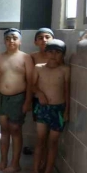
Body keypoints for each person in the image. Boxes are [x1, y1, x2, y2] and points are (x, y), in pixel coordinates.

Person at [24, 40, 70, 173]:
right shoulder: (39, 68)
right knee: (40, 140)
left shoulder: (65, 70)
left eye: (58, 52)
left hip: (58, 110)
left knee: (53, 142)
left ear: (63, 55)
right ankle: (35, 171)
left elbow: (67, 92)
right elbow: (32, 85)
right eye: (51, 51)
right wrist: (39, 93)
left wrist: (66, 111)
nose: (54, 55)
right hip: (43, 109)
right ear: (46, 53)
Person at [0, 28, 34, 173]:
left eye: (14, 38)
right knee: (4, 129)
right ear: (4, 41)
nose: (11, 41)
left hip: (18, 97)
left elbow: (30, 81)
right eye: (8, 38)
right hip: (1, 97)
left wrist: (27, 101)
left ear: (20, 41)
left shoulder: (26, 58)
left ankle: (15, 163)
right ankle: (3, 161)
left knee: (15, 129)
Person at [25, 27, 55, 156]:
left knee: (51, 133)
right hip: (38, 98)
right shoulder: (32, 57)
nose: (44, 40)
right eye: (40, 38)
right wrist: (36, 95)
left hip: (55, 100)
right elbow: (29, 80)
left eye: (47, 37)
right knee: (40, 132)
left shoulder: (57, 57)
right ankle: (40, 158)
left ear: (53, 39)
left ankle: (45, 159)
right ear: (35, 42)